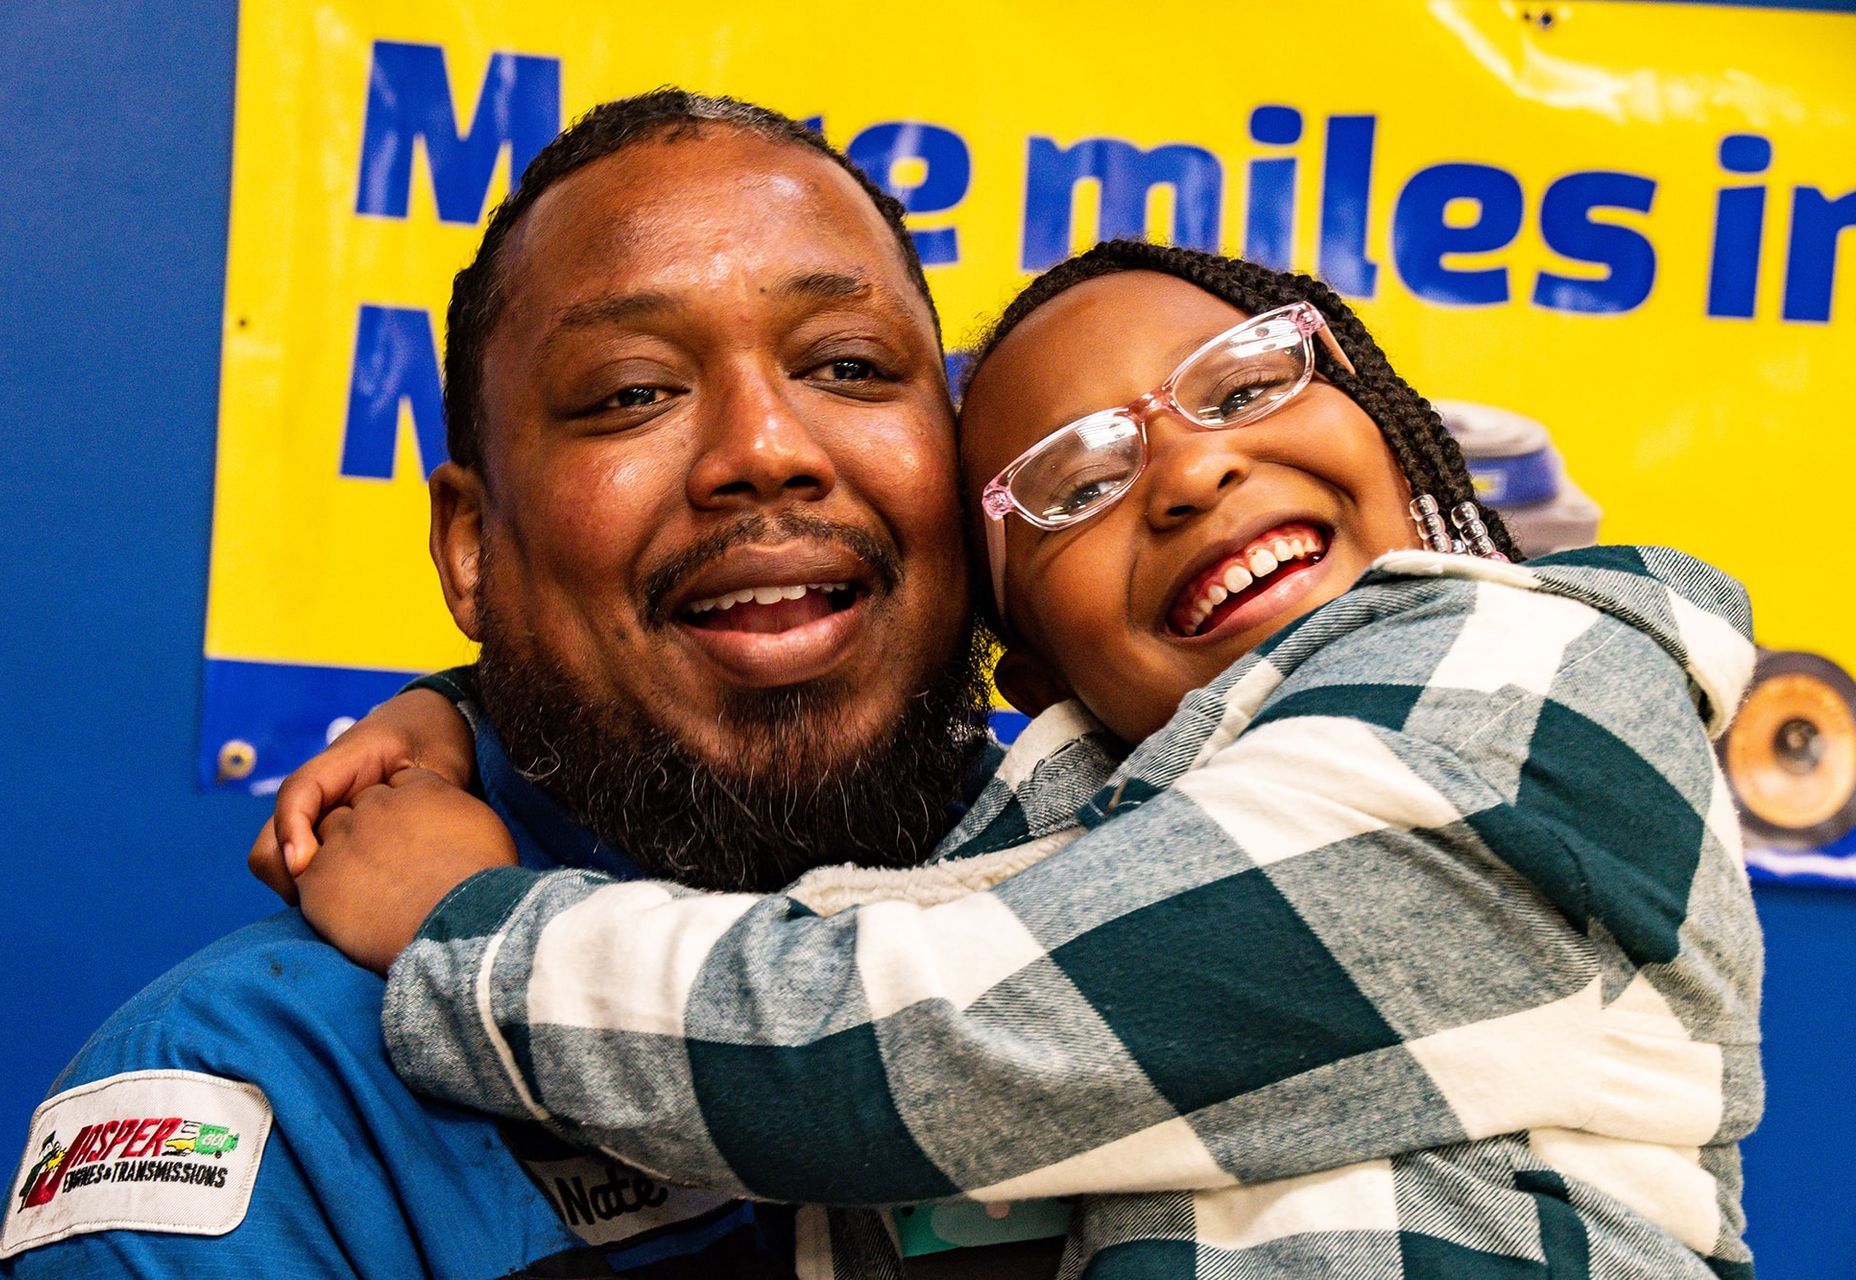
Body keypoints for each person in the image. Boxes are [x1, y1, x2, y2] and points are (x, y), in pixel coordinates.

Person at [277, 242, 1763, 1279]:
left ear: (1387, 427)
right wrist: (482, 708)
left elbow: (893, 1049)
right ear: (1034, 666)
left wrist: (468, 928)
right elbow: (865, 816)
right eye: (1077, 483)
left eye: (1244, 384)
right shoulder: (1135, 829)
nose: (1188, 471)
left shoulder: (1535, 692)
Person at [0, 89, 1005, 1278]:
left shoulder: (1164, 868)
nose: (767, 447)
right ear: (473, 547)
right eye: (632, 392)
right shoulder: (264, 1095)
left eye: (848, 364)